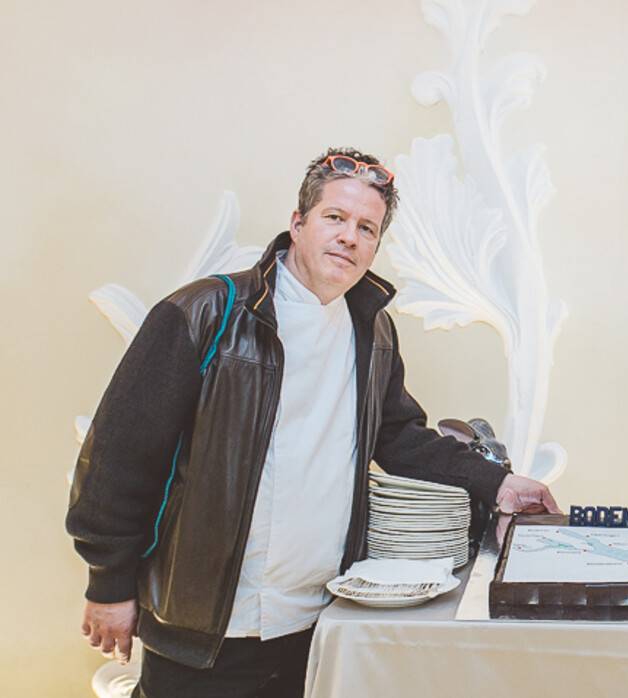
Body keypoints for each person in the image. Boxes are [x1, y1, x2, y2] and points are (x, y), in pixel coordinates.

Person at [67, 148, 560, 697]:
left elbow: (398, 436)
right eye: (335, 217)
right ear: (298, 224)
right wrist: (108, 583)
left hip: (318, 620)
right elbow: (119, 455)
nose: (349, 237)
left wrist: (499, 483)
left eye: (367, 228)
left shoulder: (372, 330)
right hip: (204, 628)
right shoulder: (204, 311)